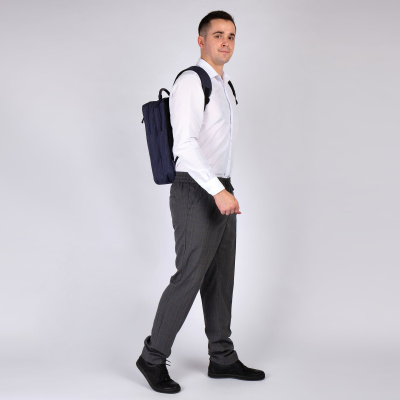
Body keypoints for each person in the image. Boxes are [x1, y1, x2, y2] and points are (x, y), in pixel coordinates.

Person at [136, 10, 265, 394]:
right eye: (218, 34)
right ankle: (152, 357)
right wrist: (217, 190)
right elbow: (185, 145)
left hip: (221, 186)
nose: (225, 41)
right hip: (195, 188)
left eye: (231, 36)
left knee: (221, 275)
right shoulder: (192, 81)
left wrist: (224, 189)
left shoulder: (224, 86)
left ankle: (222, 357)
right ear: (201, 40)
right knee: (190, 275)